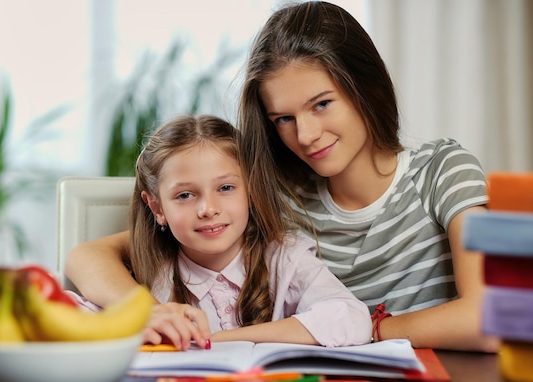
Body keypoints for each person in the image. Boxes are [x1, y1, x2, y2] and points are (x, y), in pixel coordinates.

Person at [66, 2, 499, 352]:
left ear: (365, 88)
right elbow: (89, 256)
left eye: (322, 104)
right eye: (284, 118)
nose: (306, 135)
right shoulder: (274, 197)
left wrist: (371, 328)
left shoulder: (442, 169)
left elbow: (487, 319)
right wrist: (144, 312)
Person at [75, 114, 371, 349]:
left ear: (251, 191)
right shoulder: (150, 275)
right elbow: (70, 314)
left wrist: (216, 342)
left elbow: (351, 317)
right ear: (157, 208)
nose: (208, 208)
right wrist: (139, 321)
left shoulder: (284, 257)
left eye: (226, 188)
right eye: (185, 196)